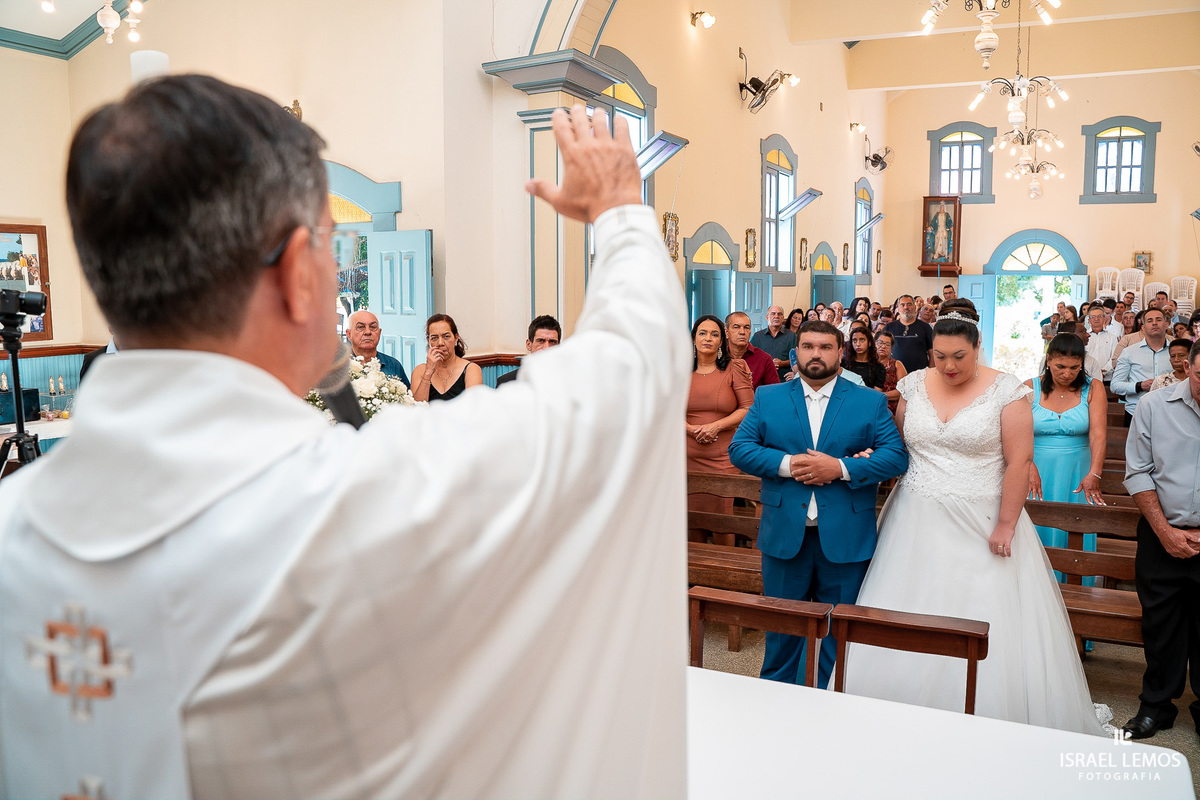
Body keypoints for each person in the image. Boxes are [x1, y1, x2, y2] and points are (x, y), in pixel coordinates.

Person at [0, 79, 690, 797]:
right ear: (299, 273)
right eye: (330, 246)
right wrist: (619, 213)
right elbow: (631, 369)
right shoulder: (370, 501)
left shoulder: (11, 525)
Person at [843, 301, 1107, 735]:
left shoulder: (1008, 392)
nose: (948, 366)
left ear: (977, 347)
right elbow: (900, 447)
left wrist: (1006, 523)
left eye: (959, 357)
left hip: (983, 517)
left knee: (979, 605)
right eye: (939, 356)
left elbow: (1020, 462)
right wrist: (874, 455)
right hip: (915, 516)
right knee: (911, 600)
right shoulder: (912, 386)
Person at [729, 321, 908, 689]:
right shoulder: (769, 397)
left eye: (826, 347)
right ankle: (775, 702)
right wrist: (789, 465)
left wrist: (841, 467)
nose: (816, 354)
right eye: (808, 346)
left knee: (837, 634)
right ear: (795, 353)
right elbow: (740, 449)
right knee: (782, 632)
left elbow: (895, 457)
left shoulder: (869, 401)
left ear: (840, 353)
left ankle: (829, 707)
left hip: (845, 535)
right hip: (784, 536)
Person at [1120, 339, 1200, 740]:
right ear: (1189, 367)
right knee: (1160, 624)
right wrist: (1166, 531)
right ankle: (1156, 706)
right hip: (1161, 533)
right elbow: (1137, 472)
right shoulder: (1155, 404)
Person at [1026, 334, 1108, 588]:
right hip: (1036, 469)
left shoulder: (1093, 388)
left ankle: (1074, 593)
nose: (1067, 374)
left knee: (1074, 529)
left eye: (1075, 367)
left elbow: (1098, 433)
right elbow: (1016, 434)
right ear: (1048, 360)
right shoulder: (1029, 387)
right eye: (1060, 366)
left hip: (1077, 471)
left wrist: (1094, 473)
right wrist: (1027, 466)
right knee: (1035, 531)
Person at [686, 315, 753, 544]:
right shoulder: (678, 371)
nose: (708, 338)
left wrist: (715, 426)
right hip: (686, 457)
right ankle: (694, 577)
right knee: (691, 521)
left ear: (721, 340)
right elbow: (665, 411)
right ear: (693, 338)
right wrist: (690, 429)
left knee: (722, 520)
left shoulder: (734, 368)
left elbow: (748, 407)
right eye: (702, 333)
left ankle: (726, 575)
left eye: (714, 334)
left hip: (722, 458)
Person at [1112, 307, 1171, 425]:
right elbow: (1115, 386)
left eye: (1158, 320)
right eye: (1149, 321)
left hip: (1169, 412)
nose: (1154, 323)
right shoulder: (1130, 352)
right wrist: (1140, 386)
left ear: (1166, 324)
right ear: (1143, 327)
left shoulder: (1176, 351)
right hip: (1136, 412)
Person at [410, 313, 483, 402]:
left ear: (456, 338)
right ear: (428, 341)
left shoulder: (471, 369)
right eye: (434, 338)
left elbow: (474, 408)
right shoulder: (420, 371)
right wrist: (428, 372)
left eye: (446, 337)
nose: (440, 343)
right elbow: (417, 409)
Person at [346, 309, 409, 384]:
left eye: (373, 327)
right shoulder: (339, 367)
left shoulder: (393, 365)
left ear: (379, 333)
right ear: (349, 334)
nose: (368, 332)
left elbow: (406, 394)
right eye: (360, 327)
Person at [495, 314, 561, 386]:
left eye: (552, 342)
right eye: (541, 341)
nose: (547, 347)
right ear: (529, 344)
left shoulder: (569, 381)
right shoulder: (507, 382)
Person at [725, 311, 780, 390]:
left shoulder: (764, 359)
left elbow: (774, 392)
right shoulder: (718, 357)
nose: (742, 332)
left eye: (746, 328)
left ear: (750, 331)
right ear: (727, 332)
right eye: (736, 327)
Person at [883, 294, 933, 374]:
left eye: (909, 304)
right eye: (902, 305)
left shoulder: (925, 328)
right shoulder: (889, 327)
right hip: (893, 375)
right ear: (898, 309)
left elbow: (932, 353)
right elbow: (881, 352)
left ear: (915, 307)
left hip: (919, 376)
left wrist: (930, 373)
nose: (906, 307)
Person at [750, 304, 797, 382]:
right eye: (773, 313)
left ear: (782, 318)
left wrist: (782, 363)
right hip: (762, 381)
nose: (776, 316)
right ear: (767, 317)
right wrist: (768, 364)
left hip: (785, 381)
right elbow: (751, 357)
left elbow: (799, 358)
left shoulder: (792, 336)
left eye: (779, 314)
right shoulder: (757, 336)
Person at [842, 326, 886, 391]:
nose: (858, 344)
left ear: (869, 343)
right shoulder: (844, 363)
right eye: (854, 340)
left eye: (862, 340)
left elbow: (876, 394)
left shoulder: (878, 367)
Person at [875, 330, 907, 413]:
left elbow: (904, 390)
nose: (883, 346)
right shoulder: (868, 364)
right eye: (880, 342)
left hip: (892, 409)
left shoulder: (897, 364)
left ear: (891, 348)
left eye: (887, 344)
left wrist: (880, 396)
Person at [1084, 306, 1118, 382]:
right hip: (1086, 377)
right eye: (1093, 317)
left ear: (1104, 318)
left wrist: (1104, 371)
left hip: (1107, 378)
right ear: (1089, 320)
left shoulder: (1112, 337)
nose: (1096, 319)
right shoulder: (1084, 337)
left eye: (1100, 316)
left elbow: (1114, 357)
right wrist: (1092, 372)